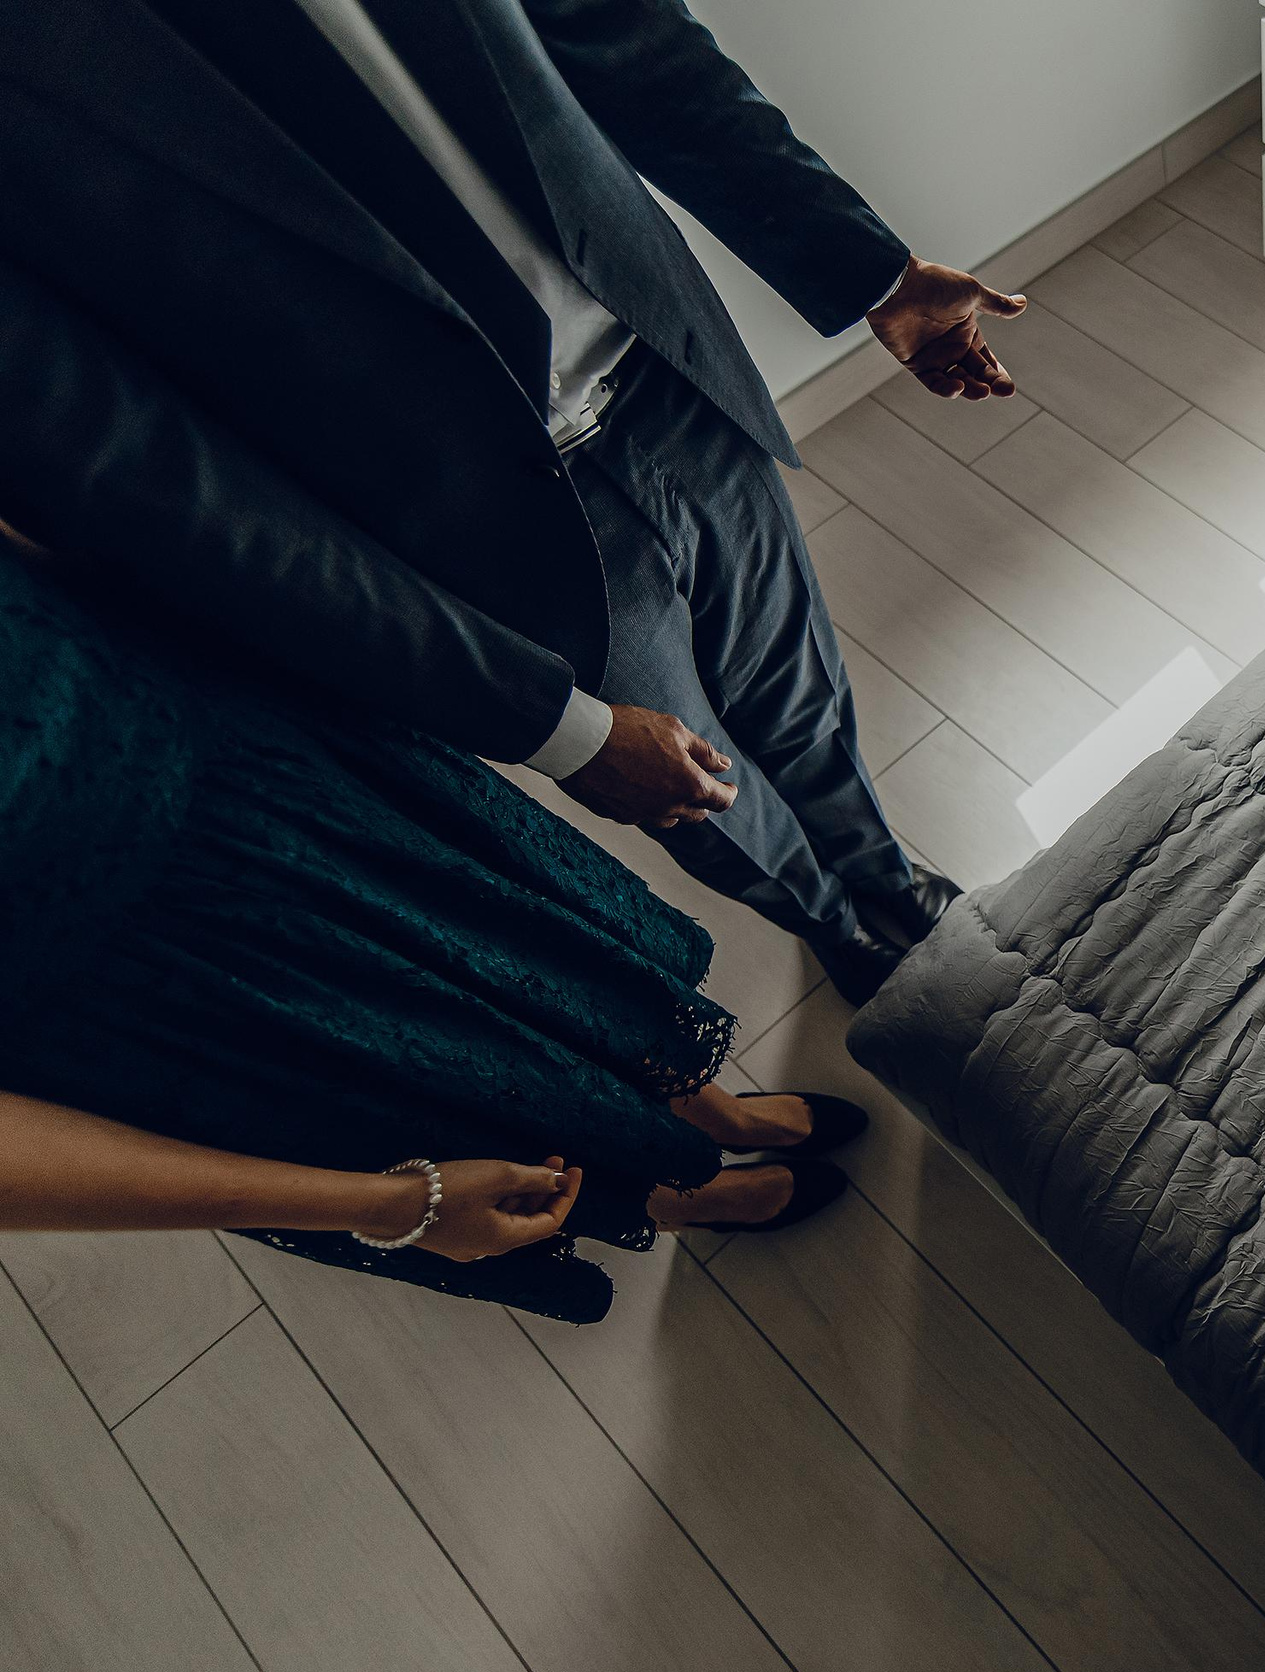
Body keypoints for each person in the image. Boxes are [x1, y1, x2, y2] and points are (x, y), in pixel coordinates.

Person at [0, 0, 1025, 1001]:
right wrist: (547, 726)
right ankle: (833, 926)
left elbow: (624, 34)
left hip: (670, 370)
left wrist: (873, 271)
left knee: (800, 695)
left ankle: (885, 877)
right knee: (707, 797)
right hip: (461, 529)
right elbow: (136, 467)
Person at [0, 536, 862, 1323]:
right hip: (164, 982)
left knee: (566, 985)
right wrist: (386, 1204)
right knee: (480, 1106)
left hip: (236, 734)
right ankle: (685, 1195)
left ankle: (710, 1114)